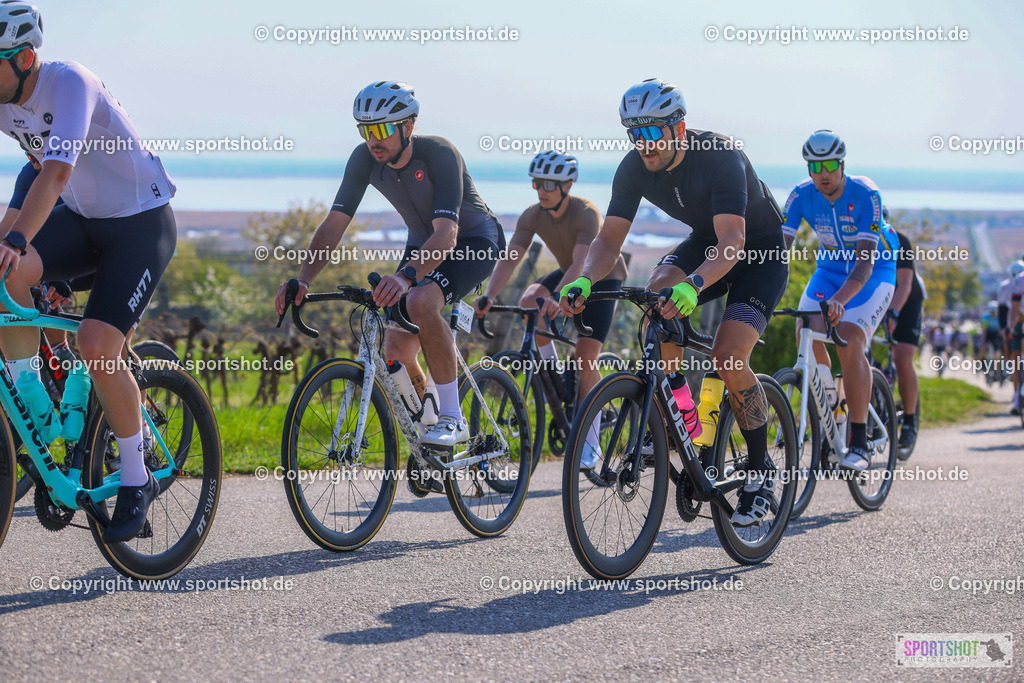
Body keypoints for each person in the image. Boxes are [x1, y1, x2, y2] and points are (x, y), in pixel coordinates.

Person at [559, 78, 789, 527]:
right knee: (658, 290)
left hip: (756, 253)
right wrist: (585, 280)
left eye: (651, 133)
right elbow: (608, 239)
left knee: (728, 355)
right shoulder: (633, 167)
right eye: (633, 133)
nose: (642, 145)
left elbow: (734, 240)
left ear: (678, 128)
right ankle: (685, 422)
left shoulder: (721, 157)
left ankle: (761, 472)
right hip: (707, 243)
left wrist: (695, 285)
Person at [0, 2, 178, 541]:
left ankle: (134, 474)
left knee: (98, 341)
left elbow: (54, 173)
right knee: (10, 277)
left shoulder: (70, 83)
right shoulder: (6, 99)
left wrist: (13, 237)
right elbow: (29, 178)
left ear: (25, 57)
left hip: (139, 225)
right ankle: (32, 403)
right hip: (82, 219)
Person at [276, 80, 504, 453]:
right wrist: (302, 280)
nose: (373, 140)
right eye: (366, 130)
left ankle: (453, 418)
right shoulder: (364, 159)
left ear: (408, 126)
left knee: (420, 302)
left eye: (382, 130)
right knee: (394, 346)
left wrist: (406, 276)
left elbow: (447, 234)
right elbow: (334, 224)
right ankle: (429, 427)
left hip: (472, 241)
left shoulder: (440, 153)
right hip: (421, 242)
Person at [474, 152, 627, 468]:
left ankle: (592, 443)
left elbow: (584, 262)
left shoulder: (586, 213)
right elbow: (511, 257)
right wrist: (489, 294)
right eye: (536, 182)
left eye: (549, 184)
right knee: (530, 300)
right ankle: (555, 376)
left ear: (568, 185)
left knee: (586, 356)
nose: (541, 189)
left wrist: (558, 297)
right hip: (569, 272)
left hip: (601, 278)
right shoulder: (532, 215)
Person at [781, 130, 898, 472]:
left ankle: (860, 441)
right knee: (805, 328)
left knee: (847, 337)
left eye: (831, 165)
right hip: (830, 269)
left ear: (842, 164)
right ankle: (833, 406)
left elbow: (864, 264)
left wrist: (840, 301)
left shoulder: (866, 194)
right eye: (815, 167)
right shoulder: (801, 195)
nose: (824, 174)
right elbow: (777, 250)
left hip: (874, 271)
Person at [882, 209, 927, 449]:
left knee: (902, 357)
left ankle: (909, 421)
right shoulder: (856, 242)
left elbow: (905, 284)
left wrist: (895, 312)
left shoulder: (900, 241)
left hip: (906, 301)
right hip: (878, 298)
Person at [1006, 262, 1024, 415]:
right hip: (1021, 318)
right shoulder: (1020, 280)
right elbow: (1014, 308)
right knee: (1017, 358)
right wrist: (1011, 328)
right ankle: (1017, 398)